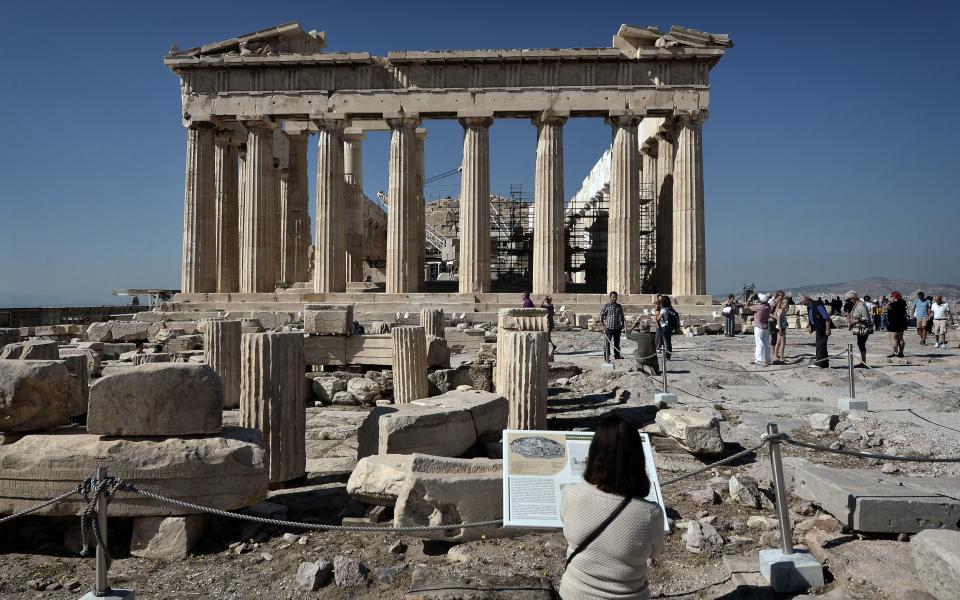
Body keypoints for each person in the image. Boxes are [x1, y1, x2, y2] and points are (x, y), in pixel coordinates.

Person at [559, 415, 665, 600]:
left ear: (594, 453)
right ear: (637, 459)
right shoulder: (651, 514)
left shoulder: (570, 494)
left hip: (573, 594)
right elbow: (656, 553)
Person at [802, 294, 832, 368]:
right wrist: (811, 327)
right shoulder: (809, 307)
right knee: (822, 346)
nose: (802, 303)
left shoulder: (818, 305)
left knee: (820, 346)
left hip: (823, 328)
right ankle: (824, 363)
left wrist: (828, 329)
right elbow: (812, 317)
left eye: (803, 301)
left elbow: (826, 317)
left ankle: (819, 363)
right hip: (818, 328)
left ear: (807, 299)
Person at [845, 291, 872, 367]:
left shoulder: (861, 305)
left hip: (864, 328)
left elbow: (865, 318)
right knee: (860, 343)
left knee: (861, 343)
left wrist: (854, 322)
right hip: (860, 328)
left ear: (854, 298)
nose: (849, 300)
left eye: (850, 299)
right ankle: (863, 361)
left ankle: (864, 362)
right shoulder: (855, 305)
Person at [598, 291, 625, 362]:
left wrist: (622, 324)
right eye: (613, 297)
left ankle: (617, 355)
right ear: (610, 297)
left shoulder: (619, 306)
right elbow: (601, 316)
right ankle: (607, 357)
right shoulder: (606, 306)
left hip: (617, 327)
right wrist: (604, 325)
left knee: (617, 342)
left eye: (615, 297)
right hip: (609, 328)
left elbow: (622, 315)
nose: (614, 299)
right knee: (607, 343)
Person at [750, 293, 772, 366]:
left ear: (760, 300)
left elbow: (746, 306)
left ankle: (758, 360)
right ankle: (768, 360)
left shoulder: (759, 307)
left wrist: (749, 298)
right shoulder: (768, 307)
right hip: (765, 326)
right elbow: (766, 303)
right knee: (766, 344)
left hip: (758, 327)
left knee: (759, 344)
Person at [886, 291, 908, 358]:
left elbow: (886, 308)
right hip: (902, 322)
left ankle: (895, 352)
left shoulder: (893, 304)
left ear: (894, 296)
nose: (891, 297)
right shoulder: (903, 302)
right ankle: (901, 353)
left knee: (894, 338)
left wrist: (889, 303)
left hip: (893, 322)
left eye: (892, 296)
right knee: (901, 338)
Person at [773, 293, 790, 363]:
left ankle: (776, 355)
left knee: (778, 342)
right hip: (780, 328)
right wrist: (780, 329)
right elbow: (778, 320)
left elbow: (787, 309)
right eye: (785, 304)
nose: (786, 305)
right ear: (782, 304)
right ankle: (781, 357)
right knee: (783, 343)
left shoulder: (782, 310)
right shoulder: (780, 311)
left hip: (780, 327)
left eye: (787, 304)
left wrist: (786, 304)